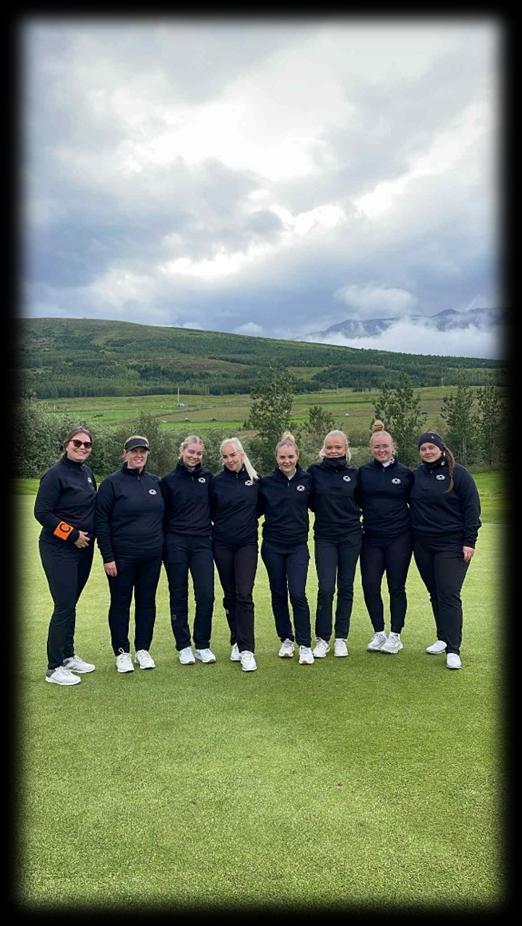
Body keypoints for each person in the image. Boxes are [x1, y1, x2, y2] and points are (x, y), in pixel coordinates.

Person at [409, 430, 481, 670]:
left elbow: (472, 508)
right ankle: (442, 637)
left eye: (431, 447)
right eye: (423, 448)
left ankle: (453, 649)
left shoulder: (458, 473)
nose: (427, 451)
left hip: (452, 544)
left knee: (449, 594)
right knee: (435, 593)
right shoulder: (416, 475)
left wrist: (469, 541)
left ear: (441, 448)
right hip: (422, 544)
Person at [95, 435, 164, 673]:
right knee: (120, 603)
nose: (139, 455)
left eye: (143, 451)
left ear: (147, 454)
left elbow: (163, 518)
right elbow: (101, 522)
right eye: (134, 451)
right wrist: (108, 557)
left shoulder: (155, 482)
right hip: (121, 557)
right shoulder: (111, 483)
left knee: (147, 602)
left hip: (151, 557)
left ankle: (143, 649)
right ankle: (122, 652)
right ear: (125, 453)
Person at [34, 427, 97, 686]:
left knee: (71, 603)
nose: (82, 447)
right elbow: (42, 513)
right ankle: (54, 668)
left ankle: (68, 656)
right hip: (58, 549)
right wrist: (72, 535)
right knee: (64, 605)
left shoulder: (87, 473)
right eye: (77, 442)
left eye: (87, 444)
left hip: (83, 550)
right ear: (67, 444)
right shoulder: (55, 475)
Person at [357, 421, 414, 654]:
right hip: (371, 538)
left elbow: (417, 503)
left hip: (399, 538)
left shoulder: (405, 474)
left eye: (385, 446)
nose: (382, 450)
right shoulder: (363, 473)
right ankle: (379, 633)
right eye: (377, 447)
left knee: (396, 587)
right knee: (370, 585)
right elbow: (354, 500)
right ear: (371, 448)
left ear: (393, 447)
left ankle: (395, 635)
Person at [258, 432, 314, 665]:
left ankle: (305, 644)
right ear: (277, 458)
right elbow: (253, 509)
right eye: (282, 457)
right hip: (272, 547)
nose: (286, 461)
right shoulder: (267, 482)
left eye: (290, 456)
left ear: (297, 456)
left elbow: (322, 504)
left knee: (298, 594)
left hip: (297, 546)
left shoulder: (307, 480)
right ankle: (286, 639)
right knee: (278, 593)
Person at [159, 435, 215, 665]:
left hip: (202, 543)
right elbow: (161, 516)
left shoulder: (208, 478)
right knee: (178, 595)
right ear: (182, 451)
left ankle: (202, 644)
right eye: (191, 451)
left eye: (199, 453)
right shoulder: (168, 481)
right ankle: (183, 645)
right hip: (176, 543)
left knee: (206, 595)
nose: (194, 456)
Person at [307, 429, 361, 658]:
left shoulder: (355, 474)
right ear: (324, 449)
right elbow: (310, 501)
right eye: (329, 447)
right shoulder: (314, 472)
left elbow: (362, 501)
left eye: (338, 447)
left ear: (345, 449)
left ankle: (341, 637)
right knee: (326, 587)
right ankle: (322, 638)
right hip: (325, 537)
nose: (333, 451)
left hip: (351, 536)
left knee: (346, 587)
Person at [210, 438, 260, 672]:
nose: (230, 460)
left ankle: (247, 649)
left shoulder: (255, 481)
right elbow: (211, 511)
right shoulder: (216, 482)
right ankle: (236, 641)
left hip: (247, 545)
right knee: (230, 595)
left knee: (244, 594)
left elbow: (259, 508)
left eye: (233, 455)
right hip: (221, 545)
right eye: (225, 456)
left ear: (241, 454)